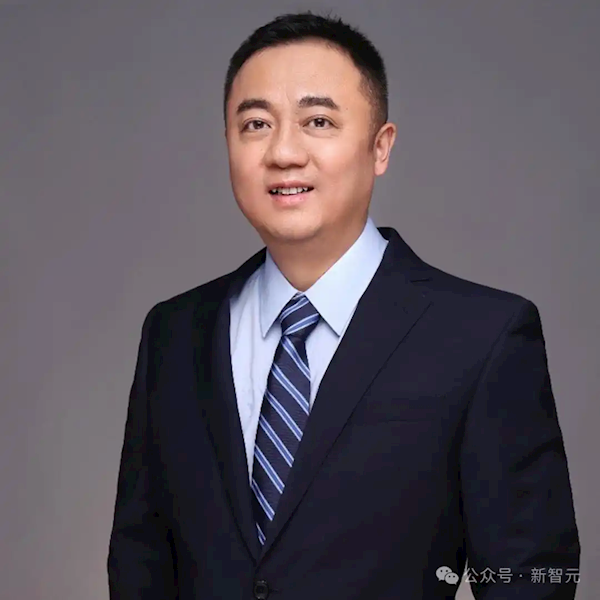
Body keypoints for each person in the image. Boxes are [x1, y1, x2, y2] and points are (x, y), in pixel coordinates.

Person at [107, 11, 579, 600]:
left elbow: (530, 575)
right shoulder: (174, 334)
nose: (284, 152)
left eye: (318, 121)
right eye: (255, 124)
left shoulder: (482, 338)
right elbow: (141, 559)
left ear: (380, 147)